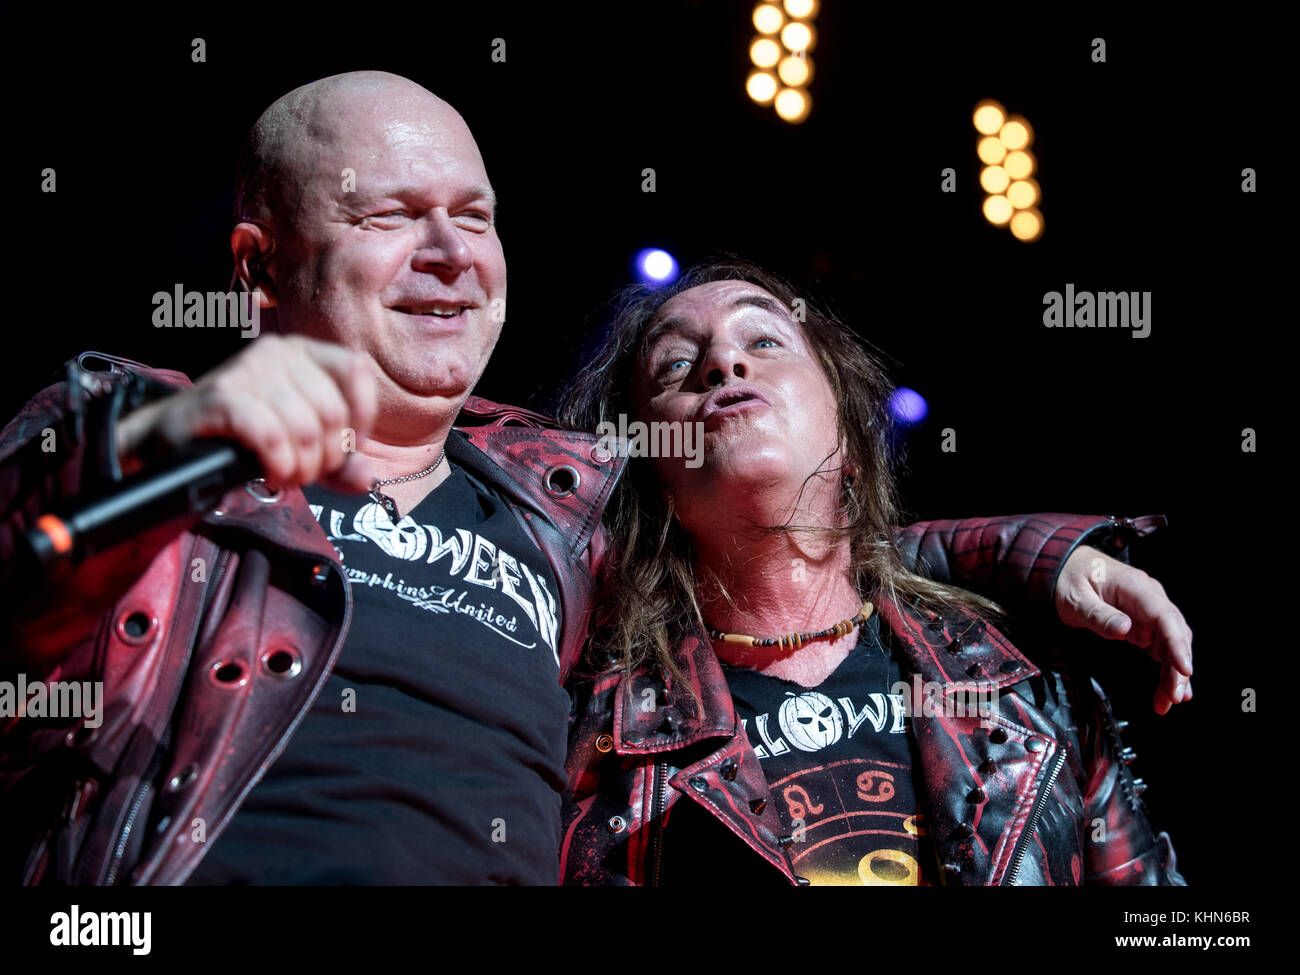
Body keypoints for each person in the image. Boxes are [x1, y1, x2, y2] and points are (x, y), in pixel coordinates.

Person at [0, 73, 1188, 886]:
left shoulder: (559, 507)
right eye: (392, 216)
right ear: (259, 267)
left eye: (474, 214)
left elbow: (792, 547)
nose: (450, 252)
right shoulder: (132, 427)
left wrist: (1042, 553)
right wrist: (173, 445)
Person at [556, 258, 1189, 885]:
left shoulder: (1027, 687)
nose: (723, 362)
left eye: (765, 340)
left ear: (852, 441)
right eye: (674, 365)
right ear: (649, 472)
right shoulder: (585, 728)